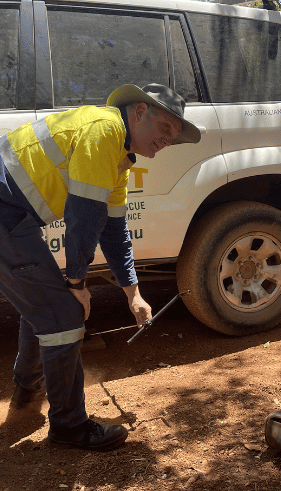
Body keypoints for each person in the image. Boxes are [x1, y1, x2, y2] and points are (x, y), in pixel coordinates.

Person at [0, 83, 200, 451]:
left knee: (45, 305)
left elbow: (113, 230)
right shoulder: (105, 129)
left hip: (11, 216)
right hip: (5, 214)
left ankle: (27, 390)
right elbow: (83, 217)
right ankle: (70, 428)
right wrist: (77, 281)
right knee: (62, 317)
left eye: (174, 135)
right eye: (166, 128)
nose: (168, 140)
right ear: (139, 112)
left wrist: (134, 294)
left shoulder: (120, 159)